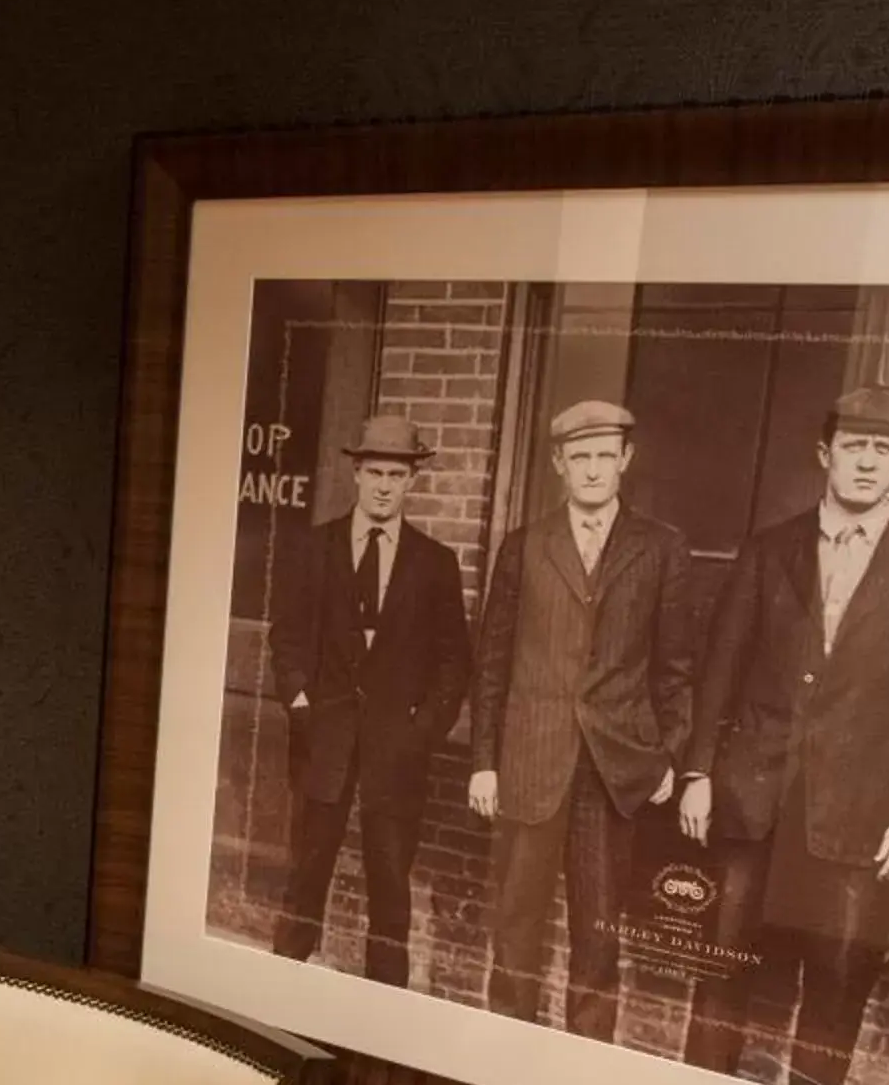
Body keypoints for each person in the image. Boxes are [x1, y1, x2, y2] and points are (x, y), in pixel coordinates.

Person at [675, 387, 889, 1085]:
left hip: (862, 817)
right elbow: (721, 667)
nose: (867, 463)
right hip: (754, 800)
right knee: (723, 968)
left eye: (884, 450)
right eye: (854, 447)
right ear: (824, 455)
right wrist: (698, 773)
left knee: (838, 982)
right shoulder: (770, 549)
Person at [469, 400, 693, 1039]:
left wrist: (666, 757)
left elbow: (676, 669)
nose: (593, 471)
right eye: (579, 458)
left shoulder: (661, 549)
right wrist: (485, 762)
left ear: (626, 461)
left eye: (605, 456)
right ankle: (506, 1052)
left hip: (611, 772)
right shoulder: (525, 547)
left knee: (599, 936)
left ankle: (584, 1066)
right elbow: (493, 664)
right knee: (516, 926)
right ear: (558, 466)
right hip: (529, 764)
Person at [267, 415, 472, 985]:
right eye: (375, 471)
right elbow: (285, 634)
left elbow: (455, 663)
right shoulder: (314, 547)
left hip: (396, 749)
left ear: (413, 481)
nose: (385, 485)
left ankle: (385, 1003)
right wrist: (300, 700)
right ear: (356, 473)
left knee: (390, 883)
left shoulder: (435, 564)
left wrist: (422, 732)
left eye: (397, 474)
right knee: (306, 872)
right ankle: (279, 987)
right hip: (322, 739)